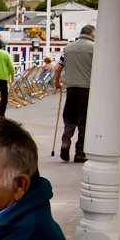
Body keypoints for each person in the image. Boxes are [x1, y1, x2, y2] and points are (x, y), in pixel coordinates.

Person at [53, 24, 95, 163]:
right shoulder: (95, 48)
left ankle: (65, 143)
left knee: (70, 117)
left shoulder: (68, 48)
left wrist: (57, 83)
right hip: (87, 88)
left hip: (71, 88)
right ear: (92, 35)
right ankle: (80, 152)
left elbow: (58, 68)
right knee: (84, 120)